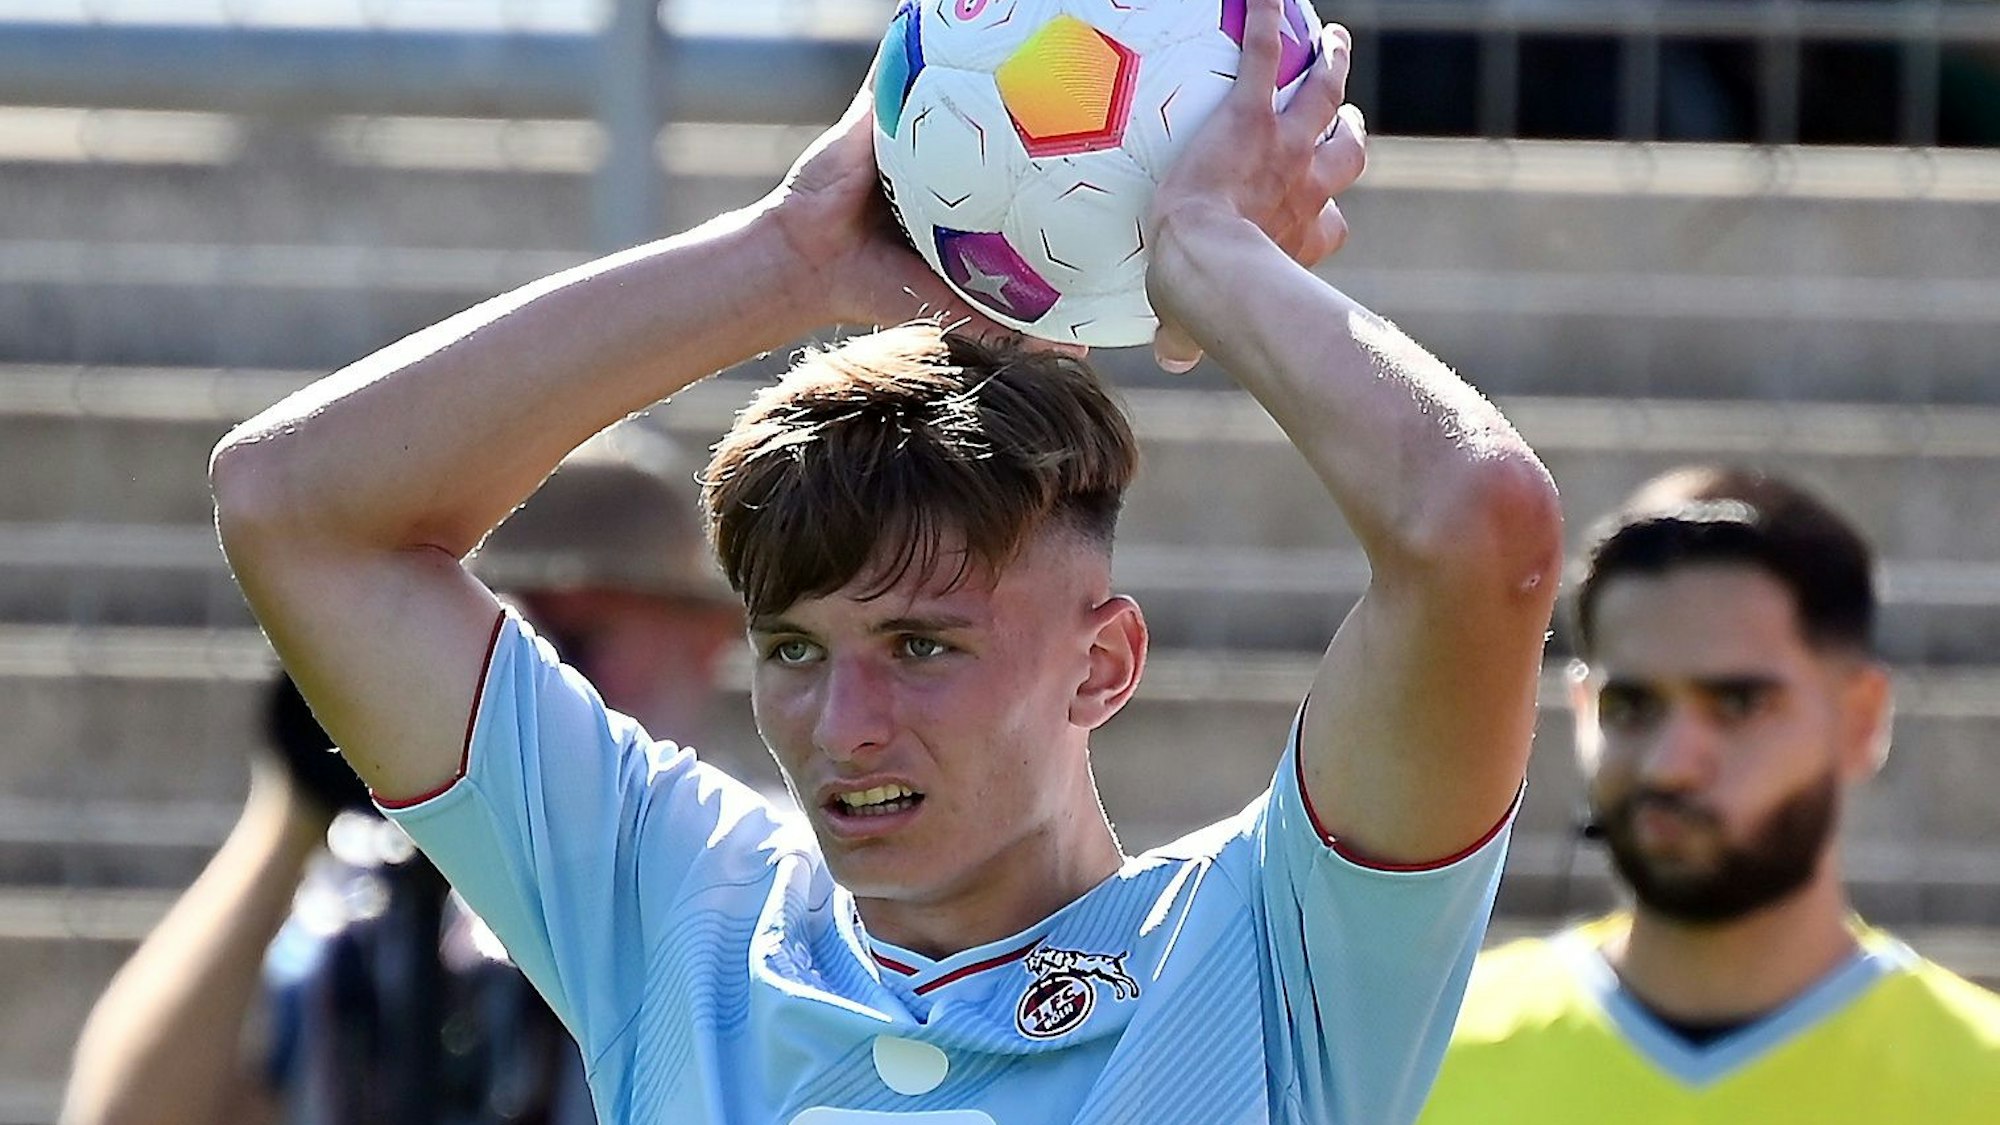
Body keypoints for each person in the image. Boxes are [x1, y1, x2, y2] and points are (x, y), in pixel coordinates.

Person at [204, 2, 1563, 1120]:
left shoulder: (1275, 957)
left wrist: (1206, 253)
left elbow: (1480, 531)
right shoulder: (679, 909)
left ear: (1103, 664)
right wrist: (784, 257)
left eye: (922, 645)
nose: (843, 726)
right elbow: (290, 505)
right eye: (794, 649)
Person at [62, 425, 744, 1125]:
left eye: (578, 638)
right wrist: (300, 807)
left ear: (706, 642)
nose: (534, 689)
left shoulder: (751, 888)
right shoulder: (361, 909)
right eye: (495, 644)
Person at [1416, 466, 2000, 1125]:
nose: (1670, 767)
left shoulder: (1983, 1083)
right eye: (1631, 706)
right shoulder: (1420, 1069)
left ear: (1861, 719)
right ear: (1581, 709)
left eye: (1738, 703)